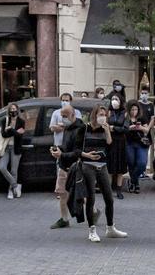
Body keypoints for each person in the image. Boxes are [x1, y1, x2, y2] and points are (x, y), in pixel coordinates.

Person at [63, 105, 127, 243]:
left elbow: (110, 146)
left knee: (109, 198)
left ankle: (110, 228)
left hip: (102, 166)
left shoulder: (105, 128)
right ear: (94, 115)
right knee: (91, 198)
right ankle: (92, 230)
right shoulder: (84, 129)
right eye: (100, 114)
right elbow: (76, 150)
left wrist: (107, 131)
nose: (102, 117)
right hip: (88, 166)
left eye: (104, 114)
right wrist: (87, 155)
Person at [48, 103, 82, 229]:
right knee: (62, 193)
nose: (62, 119)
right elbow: (66, 146)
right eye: (61, 116)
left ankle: (93, 212)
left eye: (65, 116)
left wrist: (62, 154)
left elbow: (78, 152)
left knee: (81, 195)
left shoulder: (81, 129)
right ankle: (64, 219)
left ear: (73, 114)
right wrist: (58, 149)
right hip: (64, 165)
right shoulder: (67, 128)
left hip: (76, 166)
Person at [0, 103, 25, 199]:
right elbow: (4, 135)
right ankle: (15, 185)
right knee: (2, 167)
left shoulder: (21, 121)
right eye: (11, 109)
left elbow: (19, 136)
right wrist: (15, 131)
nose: (13, 111)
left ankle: (11, 191)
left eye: (14, 109)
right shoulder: (4, 120)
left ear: (17, 110)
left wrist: (11, 129)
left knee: (14, 171)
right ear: (8, 111)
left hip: (16, 148)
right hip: (5, 148)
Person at [106, 94, 129, 199]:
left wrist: (114, 128)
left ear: (121, 102)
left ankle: (119, 190)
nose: (114, 101)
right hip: (110, 141)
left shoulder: (124, 113)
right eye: (113, 99)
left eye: (116, 99)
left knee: (120, 168)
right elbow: (105, 125)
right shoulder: (108, 112)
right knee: (110, 167)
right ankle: (109, 190)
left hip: (121, 142)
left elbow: (126, 128)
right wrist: (109, 128)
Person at [124, 102, 150, 194]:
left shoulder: (142, 117)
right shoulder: (126, 117)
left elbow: (147, 130)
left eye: (135, 109)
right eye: (132, 110)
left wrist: (139, 127)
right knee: (131, 162)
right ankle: (136, 183)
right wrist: (130, 128)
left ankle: (132, 180)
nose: (134, 112)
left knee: (142, 163)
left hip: (141, 143)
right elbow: (123, 129)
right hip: (129, 142)